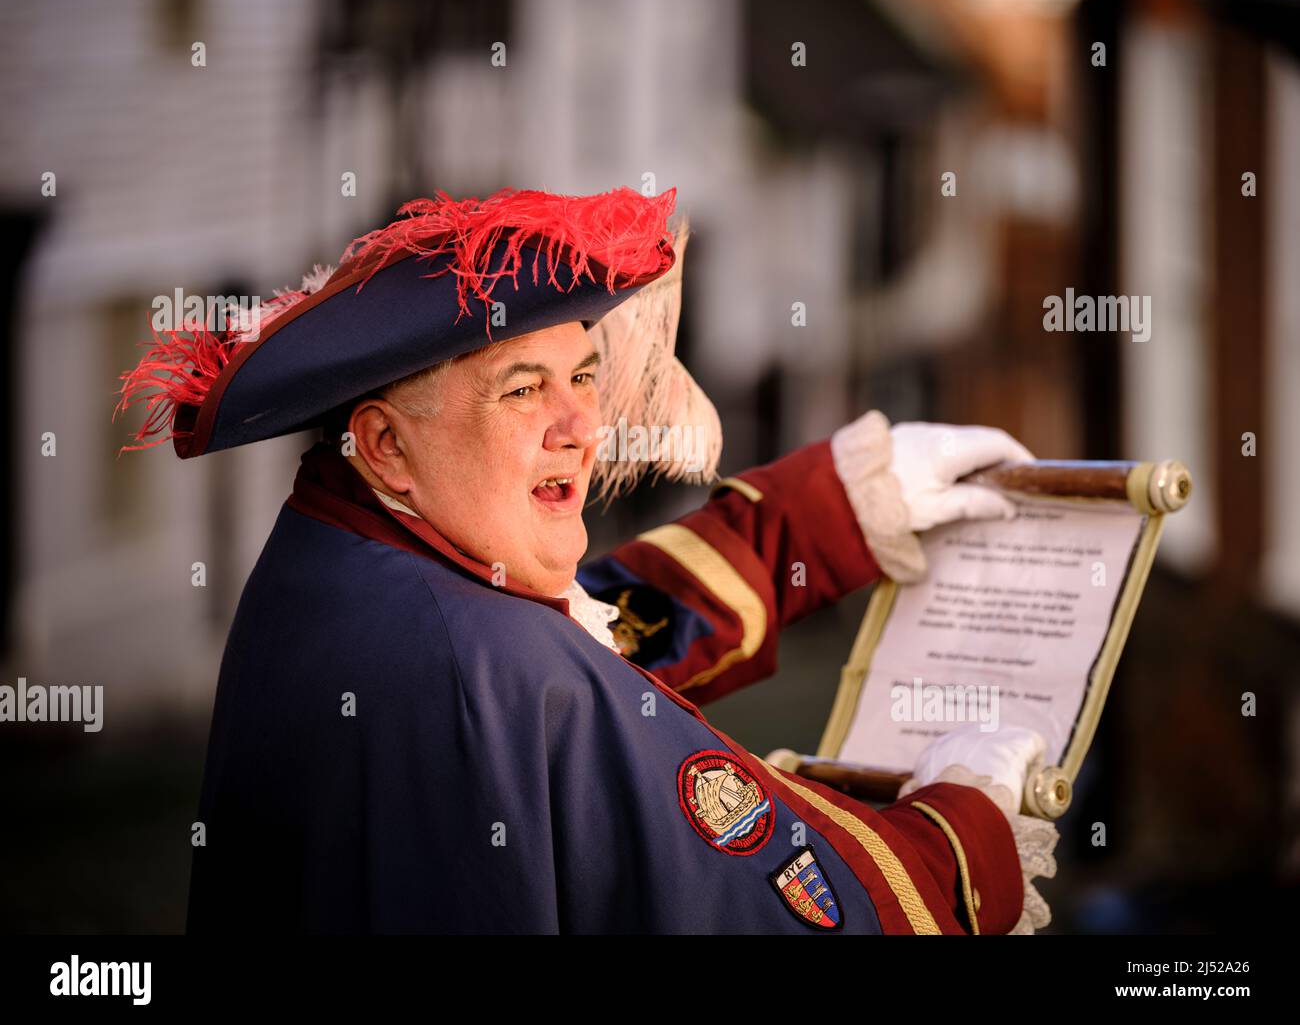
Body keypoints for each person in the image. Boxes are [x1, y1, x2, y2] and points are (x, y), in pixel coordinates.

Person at [118, 185, 1056, 934]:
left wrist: (821, 518)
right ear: (388, 444)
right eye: (521, 390)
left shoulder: (338, 556)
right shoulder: (492, 663)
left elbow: (576, 646)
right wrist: (959, 830)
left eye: (582, 376)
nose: (580, 427)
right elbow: (779, 906)